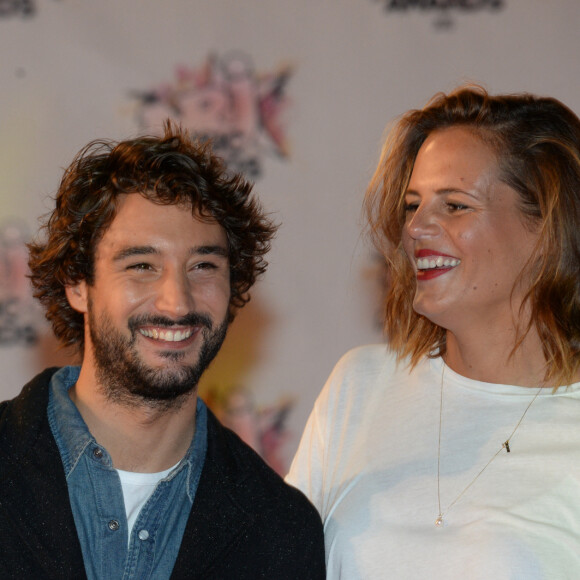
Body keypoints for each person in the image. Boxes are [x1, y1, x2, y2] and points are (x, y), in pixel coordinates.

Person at [0, 123, 325, 579]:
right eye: (142, 266)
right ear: (77, 283)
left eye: (203, 266)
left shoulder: (282, 531)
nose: (178, 302)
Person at [287, 86, 580, 578]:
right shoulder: (360, 385)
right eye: (412, 205)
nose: (416, 228)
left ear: (546, 228)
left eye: (455, 206)